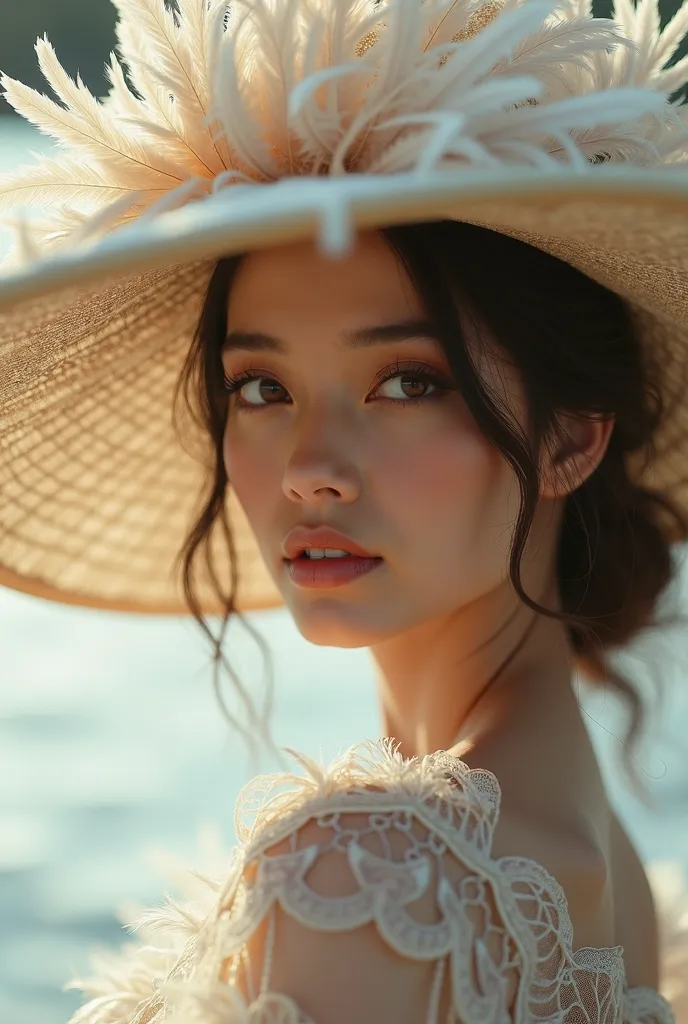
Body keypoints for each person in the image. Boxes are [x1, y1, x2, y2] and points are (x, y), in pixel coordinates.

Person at [0, 0, 688, 1020]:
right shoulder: (605, 866)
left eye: (407, 382)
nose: (309, 469)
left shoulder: (366, 879)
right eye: (261, 389)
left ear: (570, 437)